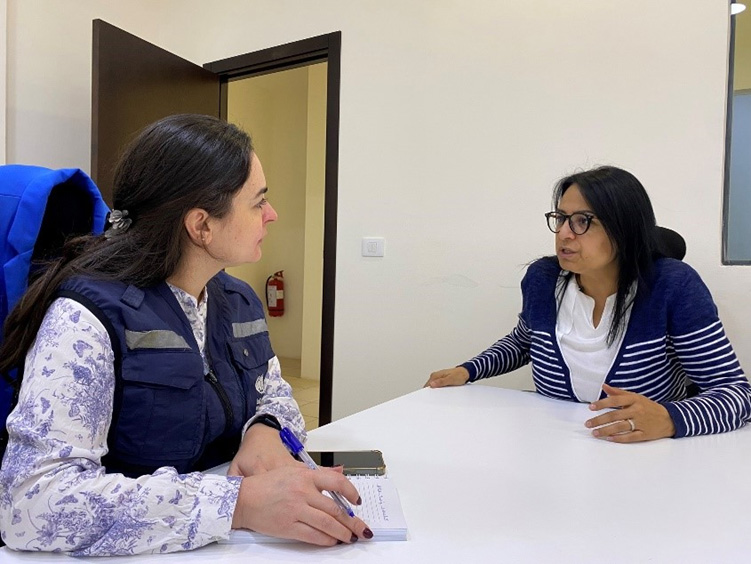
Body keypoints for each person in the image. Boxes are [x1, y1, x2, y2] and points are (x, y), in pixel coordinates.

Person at [0, 114, 372, 554]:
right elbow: (32, 504)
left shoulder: (238, 300)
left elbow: (274, 392)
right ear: (201, 226)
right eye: (258, 202)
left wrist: (266, 431)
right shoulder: (86, 316)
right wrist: (238, 503)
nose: (272, 215)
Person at [426, 166, 751, 442]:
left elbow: (738, 396)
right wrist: (467, 370)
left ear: (624, 229)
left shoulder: (672, 286)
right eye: (561, 218)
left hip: (644, 460)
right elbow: (525, 341)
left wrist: (670, 418)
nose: (565, 234)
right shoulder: (543, 278)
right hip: (555, 446)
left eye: (583, 221)